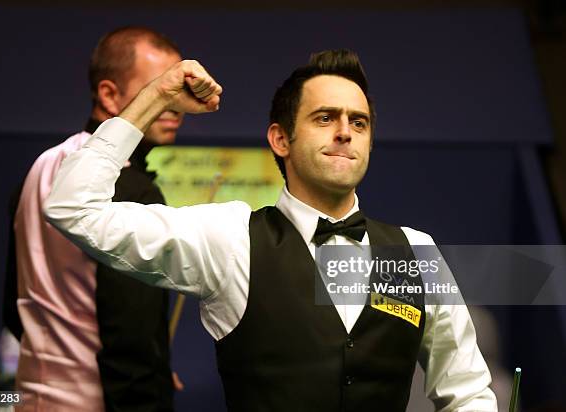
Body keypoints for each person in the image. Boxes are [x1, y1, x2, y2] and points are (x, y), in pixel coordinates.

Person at [44, 50, 498, 411]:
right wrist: (154, 98)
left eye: (358, 123)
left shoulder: (414, 253)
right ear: (280, 139)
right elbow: (72, 207)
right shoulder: (228, 239)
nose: (345, 132)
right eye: (325, 118)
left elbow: (468, 392)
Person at [7, 26, 184, 411]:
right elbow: (131, 340)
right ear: (108, 94)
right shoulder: (133, 189)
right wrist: (148, 382)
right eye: (160, 90)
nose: (176, 106)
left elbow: (14, 305)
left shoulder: (43, 164)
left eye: (178, 91)